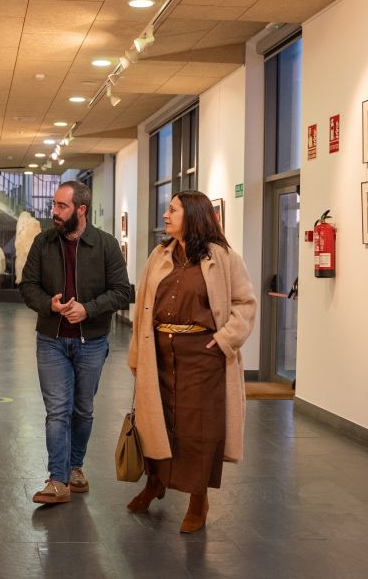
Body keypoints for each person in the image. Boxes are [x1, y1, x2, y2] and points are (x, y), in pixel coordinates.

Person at [126, 190, 256, 533]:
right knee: (158, 420)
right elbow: (141, 309)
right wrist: (137, 353)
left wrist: (224, 340)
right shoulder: (159, 255)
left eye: (172, 210)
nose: (166, 216)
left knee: (198, 428)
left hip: (203, 355)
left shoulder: (223, 257)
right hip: (160, 355)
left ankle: (198, 499)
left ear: (193, 216)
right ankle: (155, 482)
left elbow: (245, 304)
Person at [19, 181, 130, 504]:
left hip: (91, 341)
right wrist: (48, 305)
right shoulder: (43, 243)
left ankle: (75, 468)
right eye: (54, 205)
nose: (54, 212)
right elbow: (28, 287)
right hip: (51, 341)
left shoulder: (106, 245)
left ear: (80, 210)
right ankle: (57, 478)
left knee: (83, 410)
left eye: (61, 206)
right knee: (57, 410)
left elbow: (123, 291)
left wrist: (88, 309)